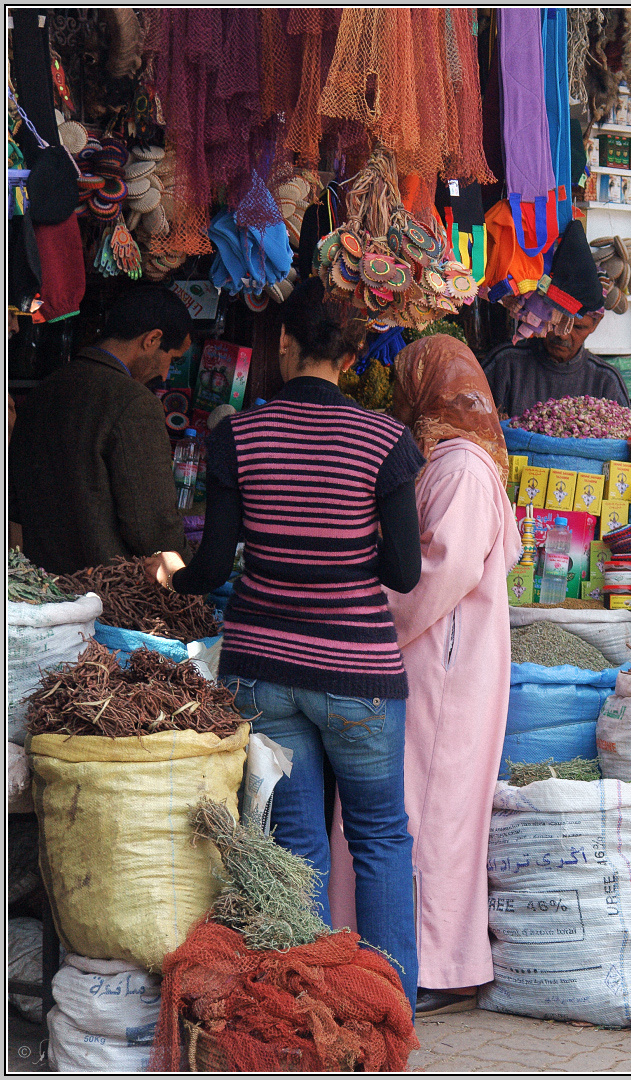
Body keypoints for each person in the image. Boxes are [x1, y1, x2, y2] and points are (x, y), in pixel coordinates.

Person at [143, 282, 426, 1008]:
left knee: (296, 847)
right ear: (354, 353)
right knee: (381, 840)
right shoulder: (387, 442)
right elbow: (402, 571)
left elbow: (212, 566)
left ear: (284, 346)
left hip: (264, 669)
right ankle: (389, 1013)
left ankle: (314, 1006)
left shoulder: (238, 435)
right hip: (360, 672)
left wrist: (172, 580)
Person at [325, 334, 520, 1018]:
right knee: (412, 814)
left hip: (442, 667)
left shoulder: (463, 467)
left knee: (425, 815)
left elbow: (441, 571)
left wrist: (364, 617)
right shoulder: (453, 460)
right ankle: (395, 955)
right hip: (438, 664)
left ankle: (431, 965)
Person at [10, 286, 193, 573]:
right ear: (152, 339)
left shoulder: (44, 391)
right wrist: (190, 578)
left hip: (43, 591)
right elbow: (152, 529)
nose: (167, 374)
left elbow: (16, 508)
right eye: (173, 358)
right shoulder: (134, 403)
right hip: (105, 597)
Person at [482, 221, 626, 416]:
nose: (563, 336)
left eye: (578, 327)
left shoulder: (605, 382)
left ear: (595, 325)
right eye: (556, 323)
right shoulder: (506, 364)